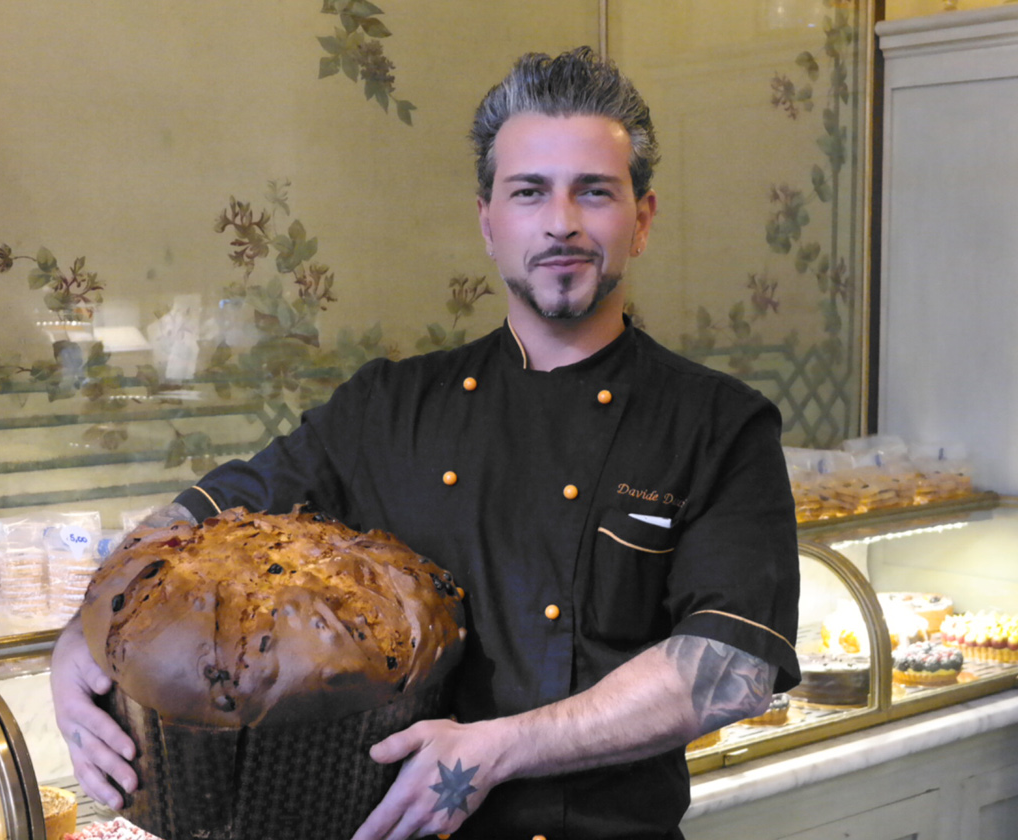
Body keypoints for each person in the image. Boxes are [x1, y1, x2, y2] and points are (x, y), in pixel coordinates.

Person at [51, 46, 801, 840]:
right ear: (488, 222)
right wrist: (80, 636)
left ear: (642, 219)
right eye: (529, 191)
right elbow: (201, 517)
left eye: (594, 191)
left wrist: (499, 750)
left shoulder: (720, 424)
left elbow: (735, 666)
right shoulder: (389, 405)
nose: (561, 221)